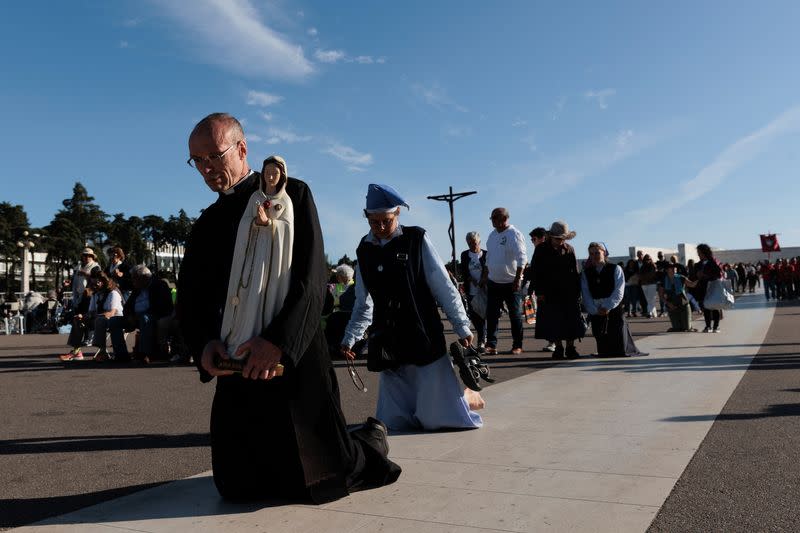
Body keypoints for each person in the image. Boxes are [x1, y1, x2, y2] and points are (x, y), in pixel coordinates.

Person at [178, 113, 400, 503]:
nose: (207, 168)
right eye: (198, 160)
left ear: (242, 149)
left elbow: (312, 280)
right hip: (238, 362)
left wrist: (277, 342)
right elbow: (192, 297)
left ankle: (369, 441)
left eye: (214, 155)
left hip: (291, 359)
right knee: (235, 486)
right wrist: (204, 346)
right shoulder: (206, 224)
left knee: (319, 479)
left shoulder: (291, 196)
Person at [340, 183, 485, 432]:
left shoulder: (416, 239)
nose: (381, 228)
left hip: (422, 332)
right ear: (367, 218)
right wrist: (350, 338)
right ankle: (450, 399)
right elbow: (364, 302)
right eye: (374, 222)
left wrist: (461, 326)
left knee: (437, 421)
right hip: (388, 338)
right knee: (394, 424)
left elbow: (443, 286)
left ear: (397, 214)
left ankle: (466, 397)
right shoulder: (364, 250)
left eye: (386, 221)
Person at [581, 243, 647, 357]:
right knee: (603, 346)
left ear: (604, 253)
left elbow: (619, 291)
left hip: (613, 308)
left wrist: (607, 306)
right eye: (591, 254)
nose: (594, 256)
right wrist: (594, 310)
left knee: (619, 345)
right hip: (596, 310)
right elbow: (585, 293)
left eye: (597, 252)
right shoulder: (585, 273)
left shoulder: (615, 268)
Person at [532, 221, 585, 359]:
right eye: (558, 239)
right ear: (551, 236)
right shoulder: (541, 249)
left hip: (568, 291)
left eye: (563, 239)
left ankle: (570, 347)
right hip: (549, 292)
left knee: (571, 321)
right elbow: (535, 271)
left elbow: (575, 271)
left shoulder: (569, 249)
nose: (561, 241)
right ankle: (558, 348)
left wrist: (578, 291)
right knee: (553, 322)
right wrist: (539, 292)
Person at [484, 208, 527, 355]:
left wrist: (517, 279)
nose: (492, 221)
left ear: (504, 219)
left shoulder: (514, 234)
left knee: (514, 315)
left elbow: (522, 258)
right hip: (493, 282)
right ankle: (491, 344)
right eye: (492, 218)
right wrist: (486, 276)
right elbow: (488, 257)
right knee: (491, 315)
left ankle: (517, 344)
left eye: (495, 218)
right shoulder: (492, 235)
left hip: (511, 282)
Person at [109, 265, 174, 362]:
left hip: (154, 316)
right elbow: (127, 307)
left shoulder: (160, 285)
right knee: (114, 321)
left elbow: (162, 307)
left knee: (145, 318)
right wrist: (129, 316)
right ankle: (121, 355)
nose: (132, 281)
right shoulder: (138, 287)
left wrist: (139, 316)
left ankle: (144, 353)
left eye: (134, 278)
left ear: (143, 278)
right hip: (135, 317)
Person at [524, 227, 555, 352]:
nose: (532, 241)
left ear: (542, 237)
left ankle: (553, 342)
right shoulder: (548, 248)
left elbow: (536, 271)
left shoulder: (543, 249)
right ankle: (553, 342)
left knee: (550, 317)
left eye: (534, 239)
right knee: (550, 317)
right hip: (545, 288)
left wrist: (531, 287)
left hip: (547, 289)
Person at [459, 231, 487, 351]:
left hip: (485, 290)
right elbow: (464, 271)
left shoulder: (486, 254)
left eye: (474, 242)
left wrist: (483, 279)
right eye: (469, 243)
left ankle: (483, 340)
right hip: (471, 290)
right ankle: (482, 336)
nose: (472, 245)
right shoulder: (465, 255)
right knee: (474, 316)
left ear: (479, 241)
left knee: (484, 315)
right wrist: (471, 279)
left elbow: (489, 268)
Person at [659, 263, 698, 332]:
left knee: (686, 328)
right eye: (672, 269)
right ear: (667, 270)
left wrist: (699, 278)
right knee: (677, 329)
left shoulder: (681, 277)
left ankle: (689, 326)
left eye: (675, 269)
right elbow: (661, 296)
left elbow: (692, 285)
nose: (674, 271)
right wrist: (668, 304)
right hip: (672, 305)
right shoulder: (664, 280)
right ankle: (679, 325)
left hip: (683, 304)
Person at [694, 244, 724, 333]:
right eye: (698, 252)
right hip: (703, 288)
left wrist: (706, 275)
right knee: (706, 307)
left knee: (715, 307)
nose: (698, 254)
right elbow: (694, 275)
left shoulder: (713, 262)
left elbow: (719, 274)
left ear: (704, 252)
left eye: (699, 252)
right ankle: (708, 326)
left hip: (713, 287)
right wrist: (697, 275)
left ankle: (716, 326)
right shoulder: (698, 264)